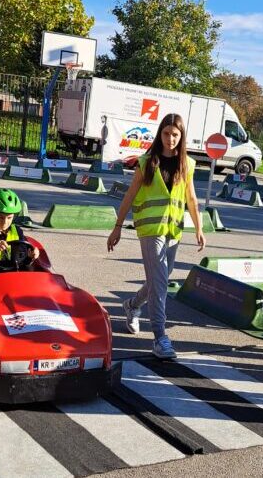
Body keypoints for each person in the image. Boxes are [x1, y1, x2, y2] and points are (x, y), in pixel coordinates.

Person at [107, 113, 205, 360]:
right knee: (161, 284)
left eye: (175, 134)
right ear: (159, 133)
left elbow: (192, 199)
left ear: (181, 137)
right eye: (166, 133)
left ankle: (132, 305)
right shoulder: (147, 162)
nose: (170, 138)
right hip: (151, 230)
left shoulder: (187, 164)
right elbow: (129, 196)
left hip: (173, 231)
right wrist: (118, 226)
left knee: (156, 281)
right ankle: (160, 337)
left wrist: (199, 228)